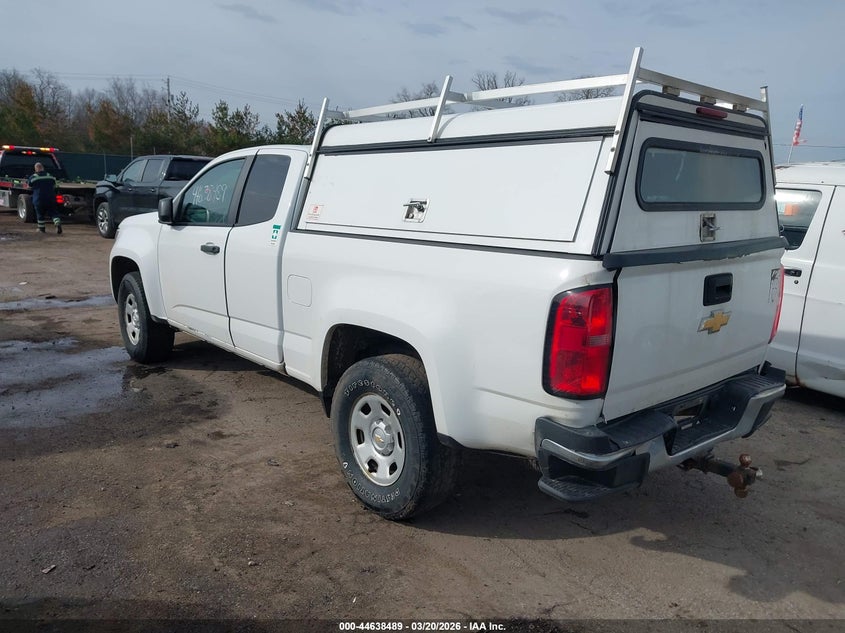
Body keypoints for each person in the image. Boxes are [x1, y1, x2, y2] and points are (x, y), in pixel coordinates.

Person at [28, 162, 62, 234]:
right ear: (43, 168)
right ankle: (57, 223)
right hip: (50, 198)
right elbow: (55, 185)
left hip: (39, 199)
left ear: (36, 169)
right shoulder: (50, 176)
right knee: (54, 213)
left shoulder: (33, 177)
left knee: (40, 214)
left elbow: (29, 186)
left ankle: (41, 229)